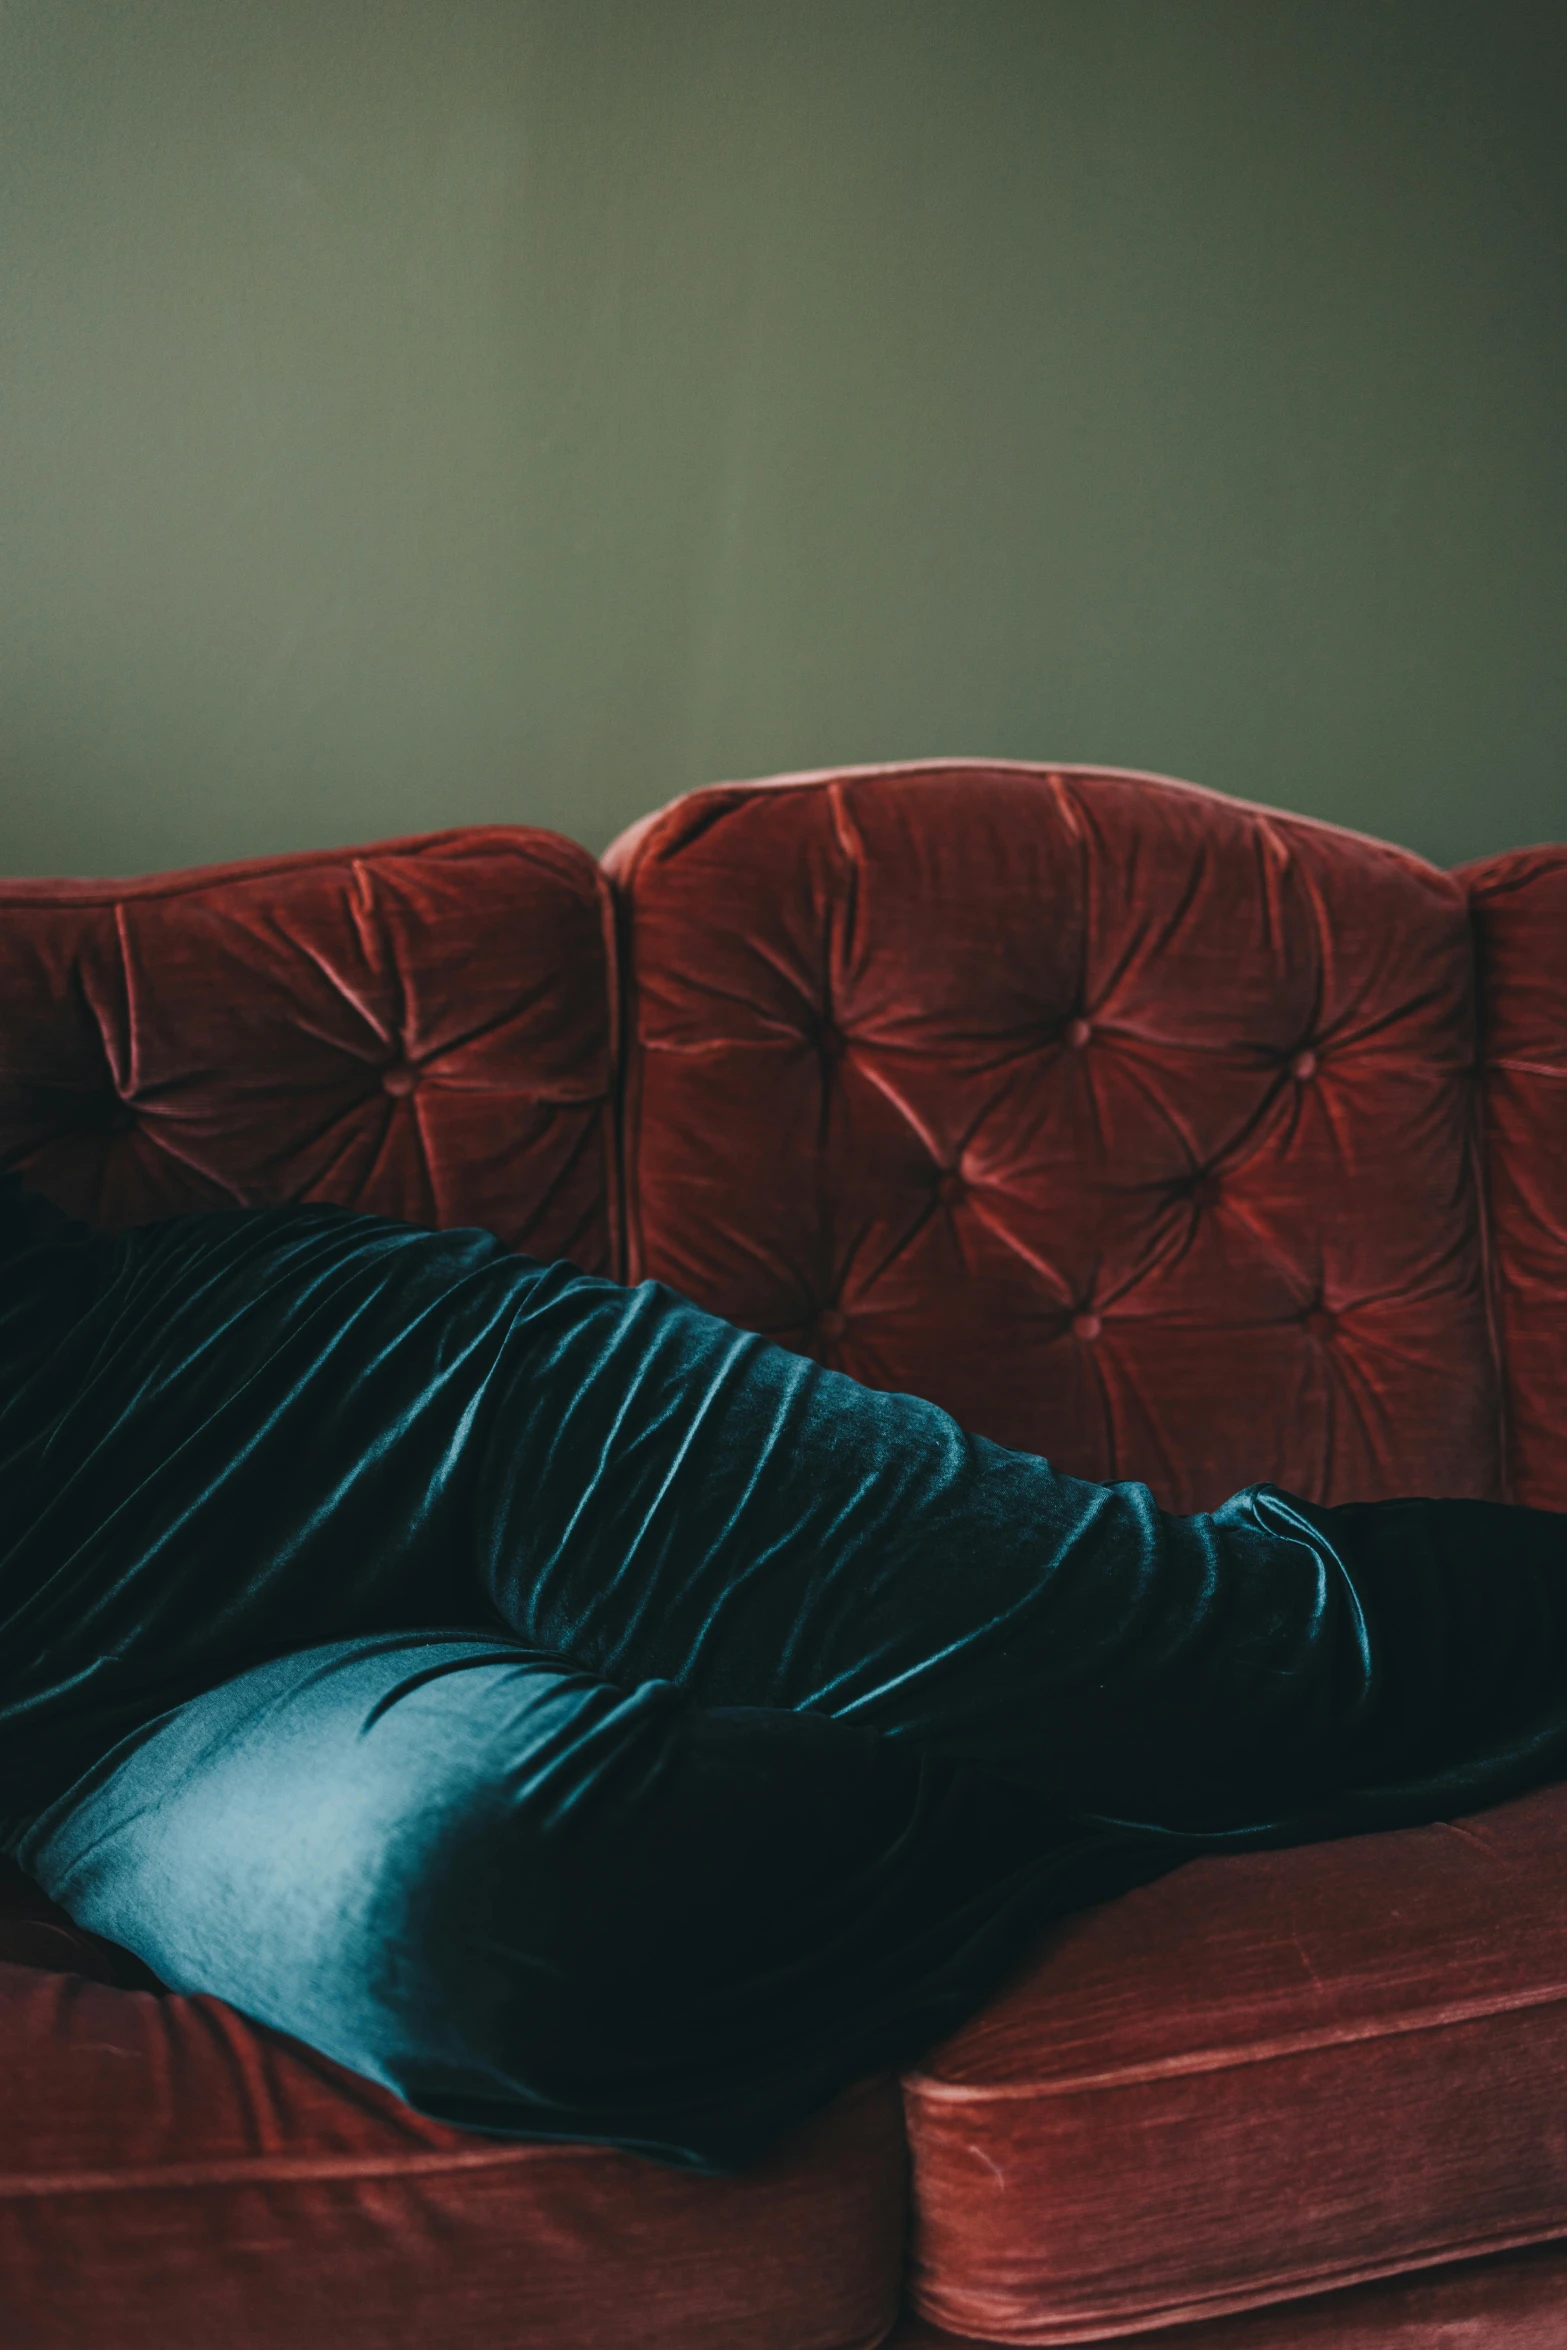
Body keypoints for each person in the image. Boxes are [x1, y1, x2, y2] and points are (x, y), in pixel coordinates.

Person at [3, 1165, 1564, 2171]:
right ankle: (1005, 1797)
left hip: (319, 1380)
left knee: (1230, 1671)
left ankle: (1070, 1732)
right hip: (98, 1713)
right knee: (469, 1930)